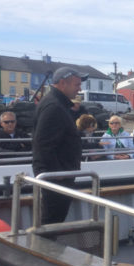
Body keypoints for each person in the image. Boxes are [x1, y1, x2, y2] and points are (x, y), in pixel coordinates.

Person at [32, 66, 88, 224]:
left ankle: (45, 246)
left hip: (59, 175)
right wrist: (60, 174)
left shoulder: (57, 104)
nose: (79, 89)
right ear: (63, 83)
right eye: (76, 85)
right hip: (56, 178)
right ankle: (44, 248)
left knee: (53, 221)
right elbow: (43, 145)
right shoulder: (54, 107)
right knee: (51, 222)